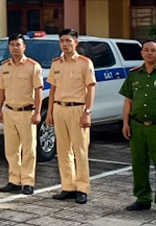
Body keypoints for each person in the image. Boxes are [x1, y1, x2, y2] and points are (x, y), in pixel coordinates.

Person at [120, 39, 156, 217]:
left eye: (153, 50)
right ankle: (142, 198)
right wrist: (125, 123)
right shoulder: (134, 75)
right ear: (142, 53)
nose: (149, 53)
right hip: (137, 126)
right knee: (139, 164)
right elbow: (128, 101)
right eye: (146, 50)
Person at [48, 29, 96, 205]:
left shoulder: (85, 63)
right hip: (59, 108)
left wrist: (87, 112)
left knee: (80, 150)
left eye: (68, 40)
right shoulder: (56, 63)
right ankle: (68, 186)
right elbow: (52, 89)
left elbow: (91, 88)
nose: (65, 44)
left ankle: (82, 188)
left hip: (77, 109)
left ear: (76, 43)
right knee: (63, 150)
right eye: (62, 41)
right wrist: (50, 112)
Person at [0, 33, 42, 195]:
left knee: (29, 149)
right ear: (9, 47)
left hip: (26, 112)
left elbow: (38, 91)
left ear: (24, 47)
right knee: (11, 148)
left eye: (18, 45)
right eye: (12, 45)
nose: (15, 48)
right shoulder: (5, 66)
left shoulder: (33, 66)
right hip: (9, 111)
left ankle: (28, 181)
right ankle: (14, 179)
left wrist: (37, 112)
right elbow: (1, 89)